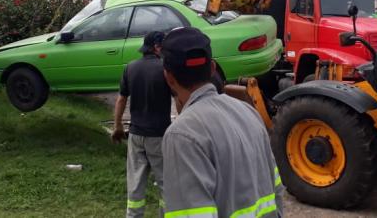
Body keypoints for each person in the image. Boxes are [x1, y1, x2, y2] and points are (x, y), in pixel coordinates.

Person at [159, 27, 284, 217]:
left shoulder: (182, 135)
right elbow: (276, 190)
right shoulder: (248, 112)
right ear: (212, 68)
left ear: (168, 77)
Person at [112, 31, 170, 218]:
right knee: (165, 184)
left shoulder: (130, 68)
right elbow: (179, 99)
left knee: (135, 185)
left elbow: (121, 100)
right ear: (157, 47)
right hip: (159, 136)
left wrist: (118, 126)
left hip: (136, 135)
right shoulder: (165, 69)